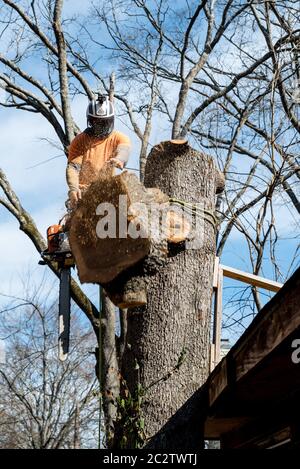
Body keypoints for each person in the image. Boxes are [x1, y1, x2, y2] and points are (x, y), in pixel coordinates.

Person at [66, 94, 131, 208]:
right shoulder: (80, 141)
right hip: (84, 191)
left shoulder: (118, 138)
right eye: (97, 122)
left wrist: (119, 159)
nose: (101, 126)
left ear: (111, 121)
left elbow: (124, 150)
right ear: (91, 121)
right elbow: (73, 168)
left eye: (104, 122)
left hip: (107, 190)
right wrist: (74, 189)